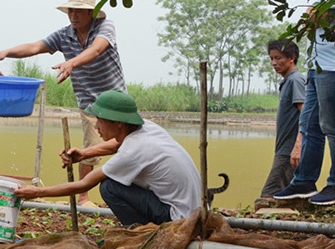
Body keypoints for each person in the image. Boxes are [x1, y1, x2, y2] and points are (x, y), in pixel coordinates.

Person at [0, 0, 126, 207]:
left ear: (91, 13)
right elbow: (36, 46)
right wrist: (6, 52)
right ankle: (83, 198)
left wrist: (71, 62)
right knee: (90, 148)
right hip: (91, 103)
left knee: (128, 144)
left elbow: (96, 50)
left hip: (117, 100)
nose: (73, 15)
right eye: (71, 10)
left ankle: (129, 191)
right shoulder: (64, 35)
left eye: (79, 11)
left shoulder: (105, 27)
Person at [13, 90, 201, 227]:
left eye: (100, 121)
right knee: (116, 182)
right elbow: (117, 143)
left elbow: (84, 185)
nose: (96, 128)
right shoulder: (146, 128)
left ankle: (142, 232)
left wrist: (37, 193)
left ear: (118, 123)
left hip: (179, 219)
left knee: (109, 187)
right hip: (195, 210)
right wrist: (85, 154)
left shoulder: (132, 152)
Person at [273, 1, 335, 205]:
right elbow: (313, 17)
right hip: (319, 63)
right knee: (310, 125)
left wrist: (314, 13)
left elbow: (314, 17)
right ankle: (304, 181)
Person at [259, 39, 305, 199]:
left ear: (291, 58)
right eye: (272, 58)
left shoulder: (295, 80)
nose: (273, 63)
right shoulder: (288, 81)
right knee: (289, 194)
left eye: (278, 58)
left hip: (288, 151)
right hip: (284, 150)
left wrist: (298, 145)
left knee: (268, 194)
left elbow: (305, 113)